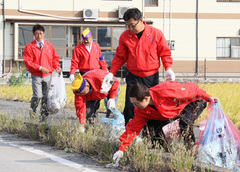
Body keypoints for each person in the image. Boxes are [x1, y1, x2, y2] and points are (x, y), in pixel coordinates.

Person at [112, 81, 218, 163]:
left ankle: (191, 155)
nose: (135, 106)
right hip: (171, 112)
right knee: (154, 131)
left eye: (136, 103)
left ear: (146, 98)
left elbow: (192, 90)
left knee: (185, 123)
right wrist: (121, 150)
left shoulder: (165, 90)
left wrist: (208, 98)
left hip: (193, 102)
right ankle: (165, 155)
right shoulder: (141, 110)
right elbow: (133, 129)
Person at [108, 8, 175, 126]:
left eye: (133, 25)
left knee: (151, 106)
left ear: (141, 20)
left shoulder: (156, 33)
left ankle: (152, 135)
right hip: (133, 76)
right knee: (130, 107)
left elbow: (164, 53)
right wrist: (111, 73)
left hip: (151, 77)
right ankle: (130, 134)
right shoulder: (125, 36)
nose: (131, 29)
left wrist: (168, 68)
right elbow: (120, 56)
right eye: (128, 26)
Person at [69, 28, 118, 117]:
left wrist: (106, 70)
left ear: (91, 37)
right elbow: (74, 62)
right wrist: (72, 73)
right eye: (84, 39)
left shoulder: (96, 46)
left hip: (97, 74)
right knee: (87, 95)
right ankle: (89, 114)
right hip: (85, 75)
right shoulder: (78, 48)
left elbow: (101, 59)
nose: (86, 41)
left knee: (98, 94)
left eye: (88, 39)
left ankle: (98, 110)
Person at [23, 24, 62, 121]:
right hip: (36, 75)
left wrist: (57, 67)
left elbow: (55, 59)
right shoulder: (29, 47)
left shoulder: (49, 46)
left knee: (45, 97)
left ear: (44, 34)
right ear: (33, 35)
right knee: (37, 96)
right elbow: (28, 62)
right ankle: (33, 110)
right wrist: (40, 68)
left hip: (48, 75)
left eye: (40, 33)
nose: (39, 36)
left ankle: (43, 117)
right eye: (36, 34)